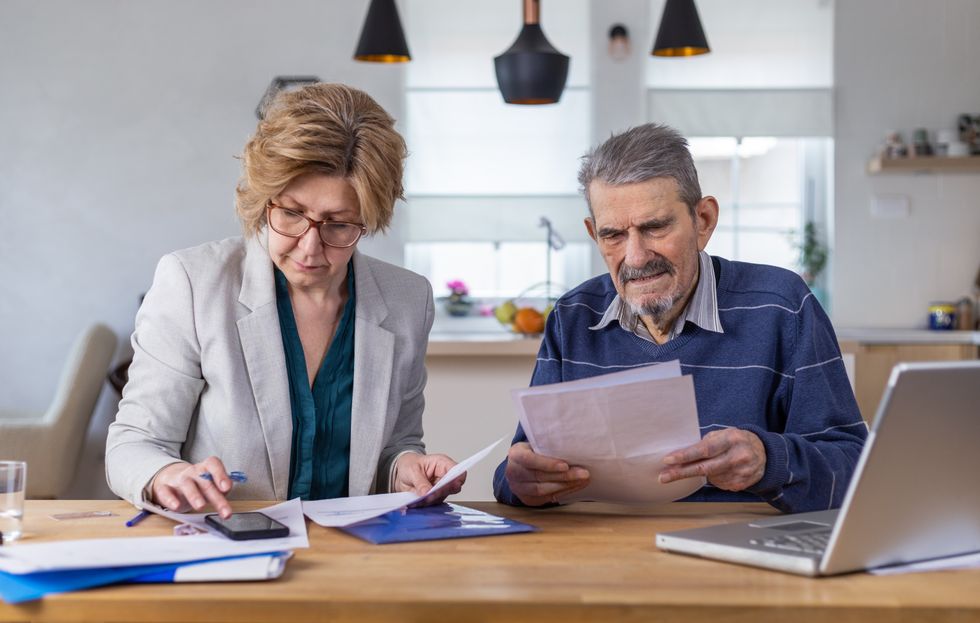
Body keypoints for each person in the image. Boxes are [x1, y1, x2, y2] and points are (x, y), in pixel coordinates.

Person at [106, 83, 462, 517]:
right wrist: (165, 475)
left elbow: (395, 445)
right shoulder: (193, 283)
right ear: (262, 200)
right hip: (230, 547)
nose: (310, 248)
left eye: (339, 224)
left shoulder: (408, 299)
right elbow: (135, 444)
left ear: (369, 219)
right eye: (292, 213)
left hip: (355, 556)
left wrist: (407, 467)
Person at [493, 124, 866, 514]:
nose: (635, 257)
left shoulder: (782, 307)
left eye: (655, 228)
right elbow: (518, 473)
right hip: (602, 551)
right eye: (613, 235)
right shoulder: (572, 317)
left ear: (703, 220)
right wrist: (519, 481)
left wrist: (769, 461)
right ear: (593, 234)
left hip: (740, 549)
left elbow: (854, 468)